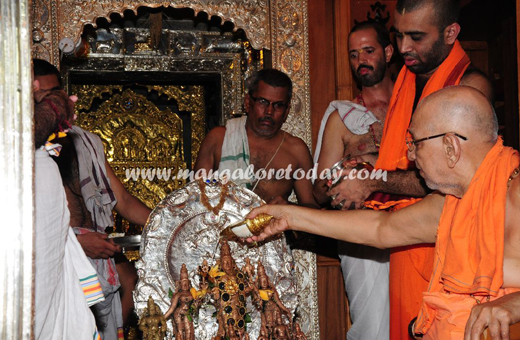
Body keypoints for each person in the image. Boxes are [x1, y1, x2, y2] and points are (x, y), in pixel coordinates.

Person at [248, 86, 520, 340]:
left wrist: (515, 303)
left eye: (415, 142)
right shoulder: (453, 203)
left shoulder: (516, 192)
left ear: (451, 147)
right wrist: (289, 216)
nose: (411, 155)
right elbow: (381, 228)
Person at [326, 1, 493, 338]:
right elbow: (405, 158)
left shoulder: (469, 89)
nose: (403, 48)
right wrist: (369, 165)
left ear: (450, 33)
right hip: (402, 239)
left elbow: (450, 179)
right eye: (400, 36)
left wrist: (372, 181)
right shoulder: (407, 78)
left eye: (416, 37)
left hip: (446, 250)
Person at [33, 59, 152, 339]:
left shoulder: (85, 141)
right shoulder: (22, 153)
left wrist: (170, 221)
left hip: (98, 263)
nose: (56, 105)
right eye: (45, 100)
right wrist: (76, 243)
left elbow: (122, 199)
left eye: (58, 95)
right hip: (60, 266)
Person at [312, 21, 394, 340]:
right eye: (353, 54)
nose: (360, 59)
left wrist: (375, 164)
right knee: (372, 327)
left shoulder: (416, 107)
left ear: (388, 52)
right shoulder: (341, 117)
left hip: (416, 227)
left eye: (369, 51)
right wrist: (345, 171)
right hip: (361, 235)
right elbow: (319, 191)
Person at [33, 78, 102, 339]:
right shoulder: (16, 133)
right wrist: (56, 105)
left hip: (51, 258)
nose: (34, 83)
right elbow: (26, 130)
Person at [194, 68, 317, 207]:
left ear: (286, 111)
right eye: (263, 102)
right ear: (247, 102)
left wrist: (288, 207)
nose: (269, 111)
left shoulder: (296, 150)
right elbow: (195, 198)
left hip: (272, 228)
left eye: (278, 105)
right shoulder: (218, 139)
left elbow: (311, 208)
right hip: (221, 226)